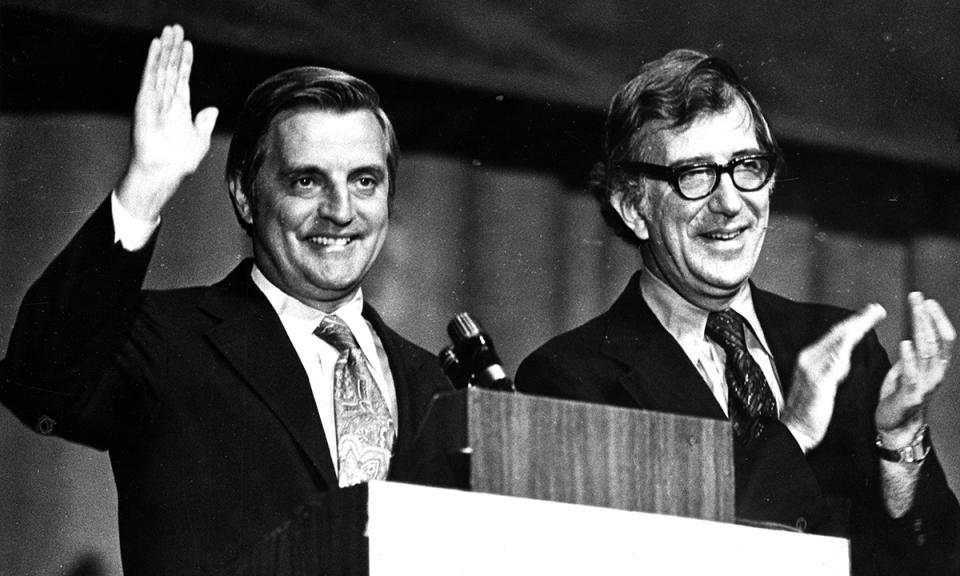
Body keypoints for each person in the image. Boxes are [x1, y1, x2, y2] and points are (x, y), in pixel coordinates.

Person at [0, 25, 451, 576]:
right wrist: (146, 185)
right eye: (307, 181)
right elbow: (37, 386)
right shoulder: (166, 340)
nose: (340, 210)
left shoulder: (433, 385)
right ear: (244, 193)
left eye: (364, 181)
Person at [515, 49, 960, 575]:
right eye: (695, 174)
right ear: (634, 207)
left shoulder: (843, 348)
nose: (730, 202)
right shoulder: (568, 380)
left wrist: (899, 439)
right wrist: (790, 431)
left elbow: (934, 563)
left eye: (747, 167)